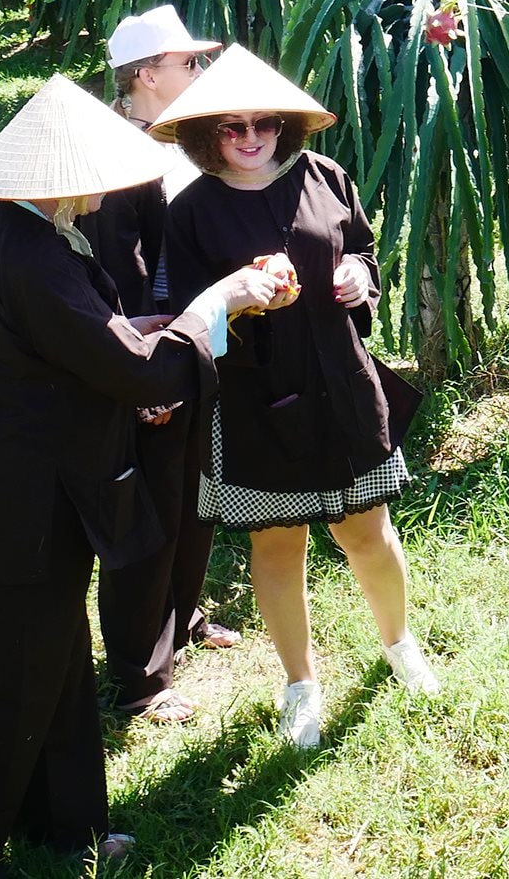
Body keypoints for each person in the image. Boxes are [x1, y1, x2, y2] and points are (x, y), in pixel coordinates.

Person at [0, 76, 291, 879]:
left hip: (28, 496)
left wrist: (142, 329)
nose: (111, 190)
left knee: (53, 662)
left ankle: (66, 826)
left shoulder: (22, 232)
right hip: (21, 511)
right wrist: (215, 304)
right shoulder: (30, 251)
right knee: (12, 686)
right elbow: (143, 375)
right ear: (60, 175)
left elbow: (80, 343)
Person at [154, 45, 438, 750]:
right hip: (254, 398)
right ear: (205, 134)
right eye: (231, 127)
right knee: (277, 543)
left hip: (340, 383)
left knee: (366, 531)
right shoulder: (191, 211)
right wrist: (233, 300)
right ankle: (300, 685)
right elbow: (184, 317)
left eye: (265, 124)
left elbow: (365, 253)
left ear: (286, 125)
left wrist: (356, 276)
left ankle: (400, 643)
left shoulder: (326, 176)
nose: (251, 138)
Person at [80, 6, 235, 727]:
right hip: (151, 351)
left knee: (192, 494)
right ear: (145, 74)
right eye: (187, 63)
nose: (199, 73)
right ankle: (141, 676)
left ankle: (183, 614)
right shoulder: (111, 153)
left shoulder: (176, 139)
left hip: (195, 340)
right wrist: (139, 376)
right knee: (147, 512)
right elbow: (120, 277)